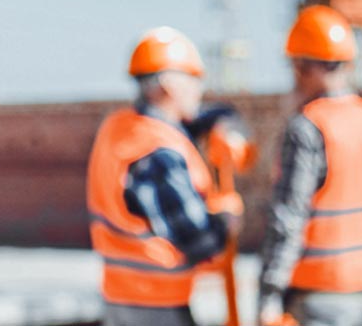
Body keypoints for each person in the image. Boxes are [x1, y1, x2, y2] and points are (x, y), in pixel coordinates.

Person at [257, 6, 362, 326]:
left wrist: (269, 295)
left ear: (303, 67)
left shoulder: (308, 127)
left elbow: (289, 218)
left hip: (321, 298)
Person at [87, 26, 245, 326]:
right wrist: (227, 218)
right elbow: (200, 239)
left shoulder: (119, 127)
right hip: (156, 303)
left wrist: (223, 119)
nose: (200, 91)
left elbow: (187, 122)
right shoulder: (159, 153)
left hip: (121, 296)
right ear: (171, 85)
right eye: (195, 81)